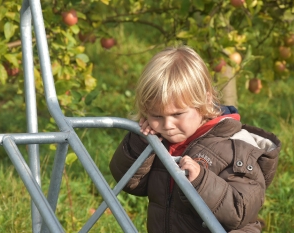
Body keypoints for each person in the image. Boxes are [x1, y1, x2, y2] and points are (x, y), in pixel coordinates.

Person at [109, 45, 281, 233]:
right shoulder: (160, 139)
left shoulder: (236, 146)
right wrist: (141, 143)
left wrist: (201, 181)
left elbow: (240, 211)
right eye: (156, 116)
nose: (167, 125)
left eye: (177, 114)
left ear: (205, 100)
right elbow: (130, 184)